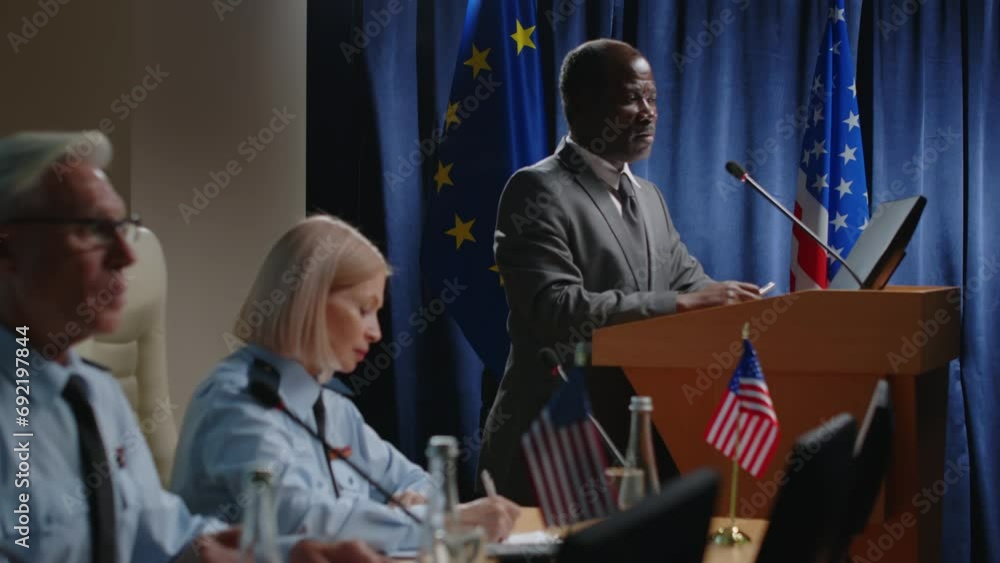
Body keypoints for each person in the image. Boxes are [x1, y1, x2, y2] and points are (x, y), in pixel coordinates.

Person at [0, 130, 388, 563]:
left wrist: (286, 554)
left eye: (123, 227)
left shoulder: (93, 393)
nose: (127, 256)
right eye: (93, 228)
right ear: (8, 249)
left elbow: (157, 532)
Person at [478, 39, 763, 505]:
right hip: (555, 442)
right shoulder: (536, 189)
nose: (648, 112)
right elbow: (555, 308)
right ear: (582, 104)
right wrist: (680, 304)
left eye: (652, 98)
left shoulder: (649, 196)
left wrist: (758, 307)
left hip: (633, 440)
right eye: (632, 98)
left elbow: (691, 282)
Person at [171, 215, 521, 554]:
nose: (376, 332)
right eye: (363, 309)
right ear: (310, 300)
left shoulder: (334, 409)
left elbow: (414, 479)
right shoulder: (237, 403)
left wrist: (419, 503)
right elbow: (300, 520)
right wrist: (444, 523)